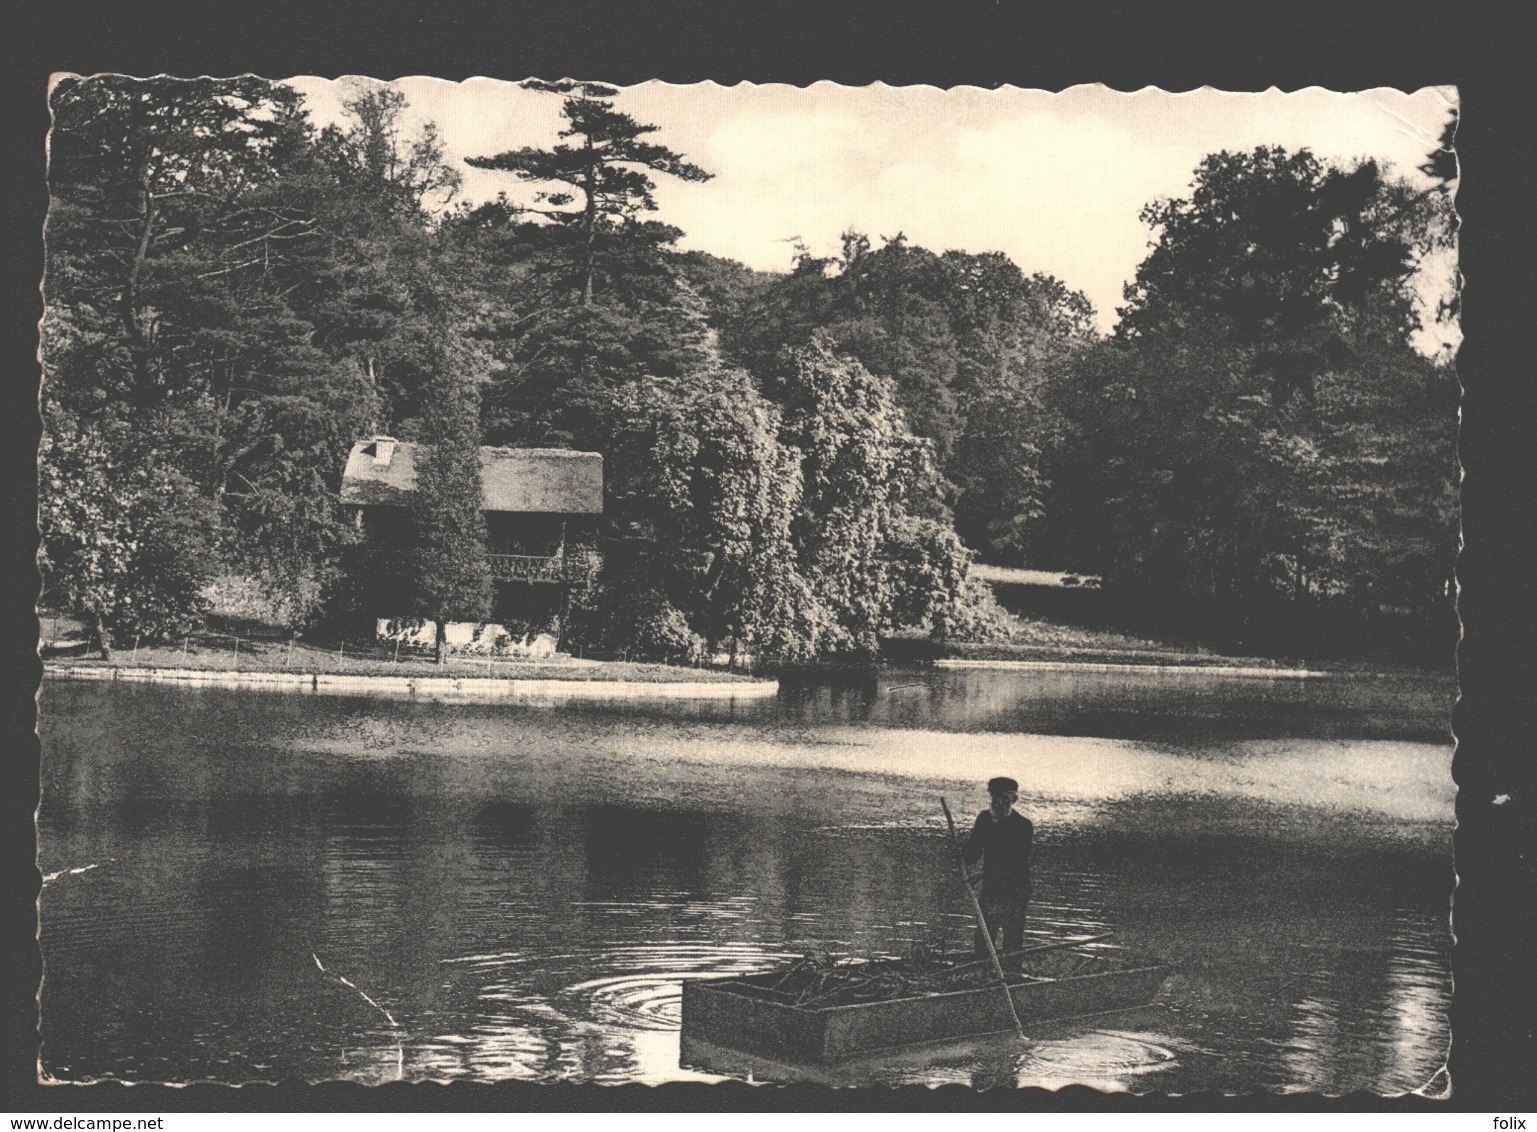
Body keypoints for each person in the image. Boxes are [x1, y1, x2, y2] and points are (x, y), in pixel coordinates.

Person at [961, 776, 1033, 959]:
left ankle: (1011, 979)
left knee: (1012, 941)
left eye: (1005, 798)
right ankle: (983, 976)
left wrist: (982, 874)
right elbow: (973, 852)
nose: (999, 802)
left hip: (1016, 890)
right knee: (984, 939)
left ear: (1013, 800)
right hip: (991, 889)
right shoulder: (984, 819)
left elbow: (1015, 862)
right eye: (995, 797)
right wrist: (959, 852)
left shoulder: (1023, 827)